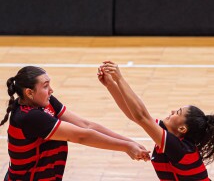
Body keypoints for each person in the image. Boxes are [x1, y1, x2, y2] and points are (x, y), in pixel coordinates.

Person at [0, 66, 150, 181]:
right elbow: (81, 136)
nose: (51, 90)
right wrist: (126, 147)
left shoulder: (46, 102)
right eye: (45, 86)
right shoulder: (30, 117)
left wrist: (131, 143)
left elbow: (86, 125)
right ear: (29, 93)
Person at [98, 61, 214, 181]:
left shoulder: (181, 149)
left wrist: (120, 79)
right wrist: (110, 84)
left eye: (178, 112)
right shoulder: (170, 134)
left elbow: (142, 116)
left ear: (182, 129)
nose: (172, 111)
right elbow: (135, 116)